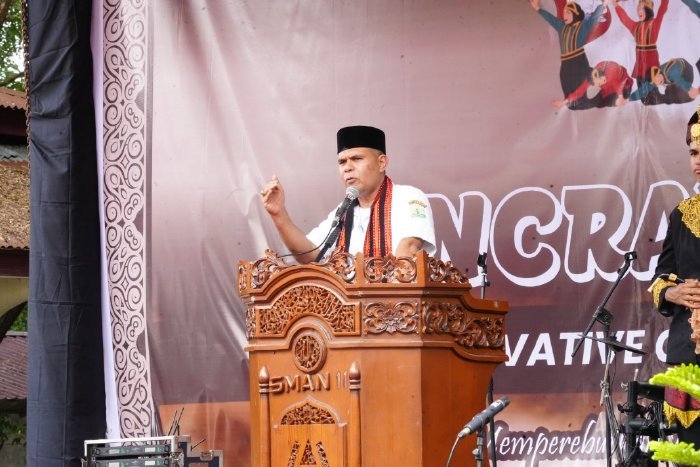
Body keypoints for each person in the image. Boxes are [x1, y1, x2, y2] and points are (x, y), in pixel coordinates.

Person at [260, 125, 436, 264]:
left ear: (382, 163)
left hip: (396, 298)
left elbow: (408, 251)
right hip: (351, 300)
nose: (347, 167)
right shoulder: (343, 211)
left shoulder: (408, 197)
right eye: (342, 162)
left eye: (357, 159)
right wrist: (279, 214)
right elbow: (309, 253)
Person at [648, 105, 700, 445]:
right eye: (694, 152)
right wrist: (671, 293)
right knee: (691, 451)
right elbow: (660, 278)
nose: (697, 160)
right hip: (688, 351)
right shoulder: (682, 215)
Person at [529, 0, 609, 97]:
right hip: (566, 64)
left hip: (579, 61)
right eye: (564, 13)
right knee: (568, 89)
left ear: (575, 14)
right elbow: (550, 19)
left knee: (583, 81)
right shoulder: (561, 26)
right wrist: (537, 8)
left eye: (568, 13)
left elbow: (594, 17)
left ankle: (599, 80)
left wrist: (604, 4)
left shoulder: (583, 26)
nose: (565, 16)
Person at [609, 0, 668, 87]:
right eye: (638, 9)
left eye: (642, 8)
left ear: (648, 10)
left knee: (651, 90)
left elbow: (662, 8)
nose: (639, 11)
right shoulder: (635, 27)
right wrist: (615, 5)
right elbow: (624, 18)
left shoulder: (654, 23)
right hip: (640, 68)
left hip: (651, 66)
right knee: (641, 91)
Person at [553, 60, 633, 110]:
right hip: (607, 89)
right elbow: (579, 91)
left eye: (599, 84)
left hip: (624, 84)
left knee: (614, 101)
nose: (597, 86)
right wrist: (564, 102)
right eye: (596, 84)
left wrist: (622, 98)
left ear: (603, 78)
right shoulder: (593, 75)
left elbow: (619, 90)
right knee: (594, 102)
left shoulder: (613, 72)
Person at [626, 59, 698, 106]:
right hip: (678, 73)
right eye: (655, 82)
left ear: (658, 72)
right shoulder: (656, 78)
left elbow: (680, 80)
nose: (658, 82)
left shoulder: (671, 73)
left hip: (686, 73)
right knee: (664, 91)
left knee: (672, 93)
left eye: (657, 79)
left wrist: (690, 89)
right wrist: (629, 98)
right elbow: (643, 90)